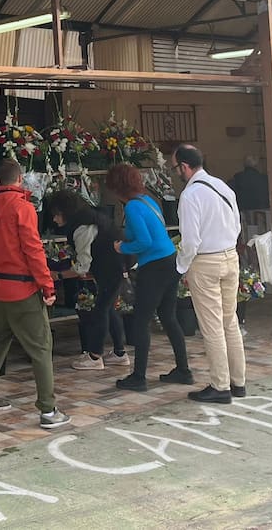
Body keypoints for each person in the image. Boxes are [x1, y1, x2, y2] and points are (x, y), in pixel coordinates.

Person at [0, 159, 70, 429]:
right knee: (41, 347)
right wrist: (47, 286)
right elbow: (33, 250)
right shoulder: (23, 208)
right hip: (24, 288)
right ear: (20, 179)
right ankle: (48, 410)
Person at [106, 164, 192, 392]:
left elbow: (144, 241)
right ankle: (183, 370)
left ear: (117, 187)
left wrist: (122, 247)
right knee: (168, 317)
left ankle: (139, 377)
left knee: (141, 321)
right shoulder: (148, 201)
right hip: (170, 260)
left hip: (154, 266)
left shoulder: (132, 207)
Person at [171, 144, 244, 404]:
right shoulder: (222, 186)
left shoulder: (190, 195)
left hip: (205, 262)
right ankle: (238, 382)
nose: (176, 173)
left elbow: (190, 240)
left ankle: (220, 385)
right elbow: (237, 225)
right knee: (230, 321)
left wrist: (181, 265)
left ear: (184, 166)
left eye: (175, 168)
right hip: (230, 256)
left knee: (212, 326)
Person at [46, 190, 130, 371]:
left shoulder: (82, 228)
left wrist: (58, 275)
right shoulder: (90, 218)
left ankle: (95, 356)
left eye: (56, 214)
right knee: (108, 308)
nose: (54, 219)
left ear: (65, 212)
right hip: (115, 266)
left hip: (111, 268)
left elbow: (82, 266)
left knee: (101, 310)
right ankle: (119, 353)